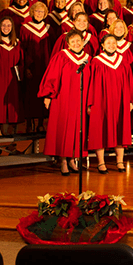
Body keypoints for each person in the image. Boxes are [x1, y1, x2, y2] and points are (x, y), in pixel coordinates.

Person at [39, 30, 91, 176]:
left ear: (83, 41)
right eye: (73, 41)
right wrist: (48, 95)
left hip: (81, 100)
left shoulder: (88, 59)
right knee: (63, 128)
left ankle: (73, 159)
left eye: (78, 40)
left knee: (78, 130)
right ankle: (63, 161)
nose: (76, 43)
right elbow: (52, 76)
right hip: (63, 99)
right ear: (68, 44)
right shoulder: (61, 56)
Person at [87, 34, 133, 174]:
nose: (111, 45)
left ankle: (120, 161)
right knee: (100, 129)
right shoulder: (96, 62)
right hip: (101, 101)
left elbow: (129, 81)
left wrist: (131, 100)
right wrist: (90, 103)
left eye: (113, 43)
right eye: (108, 43)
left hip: (120, 100)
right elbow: (91, 84)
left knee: (120, 128)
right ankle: (101, 163)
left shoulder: (123, 61)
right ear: (102, 45)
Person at [20, 2, 52, 133]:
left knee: (43, 93)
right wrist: (26, 67)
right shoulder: (25, 28)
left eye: (42, 12)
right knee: (30, 94)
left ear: (45, 14)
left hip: (44, 66)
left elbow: (51, 49)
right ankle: (29, 123)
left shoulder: (49, 28)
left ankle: (40, 122)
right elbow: (22, 49)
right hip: (31, 67)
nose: (39, 14)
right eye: (37, 11)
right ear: (32, 12)